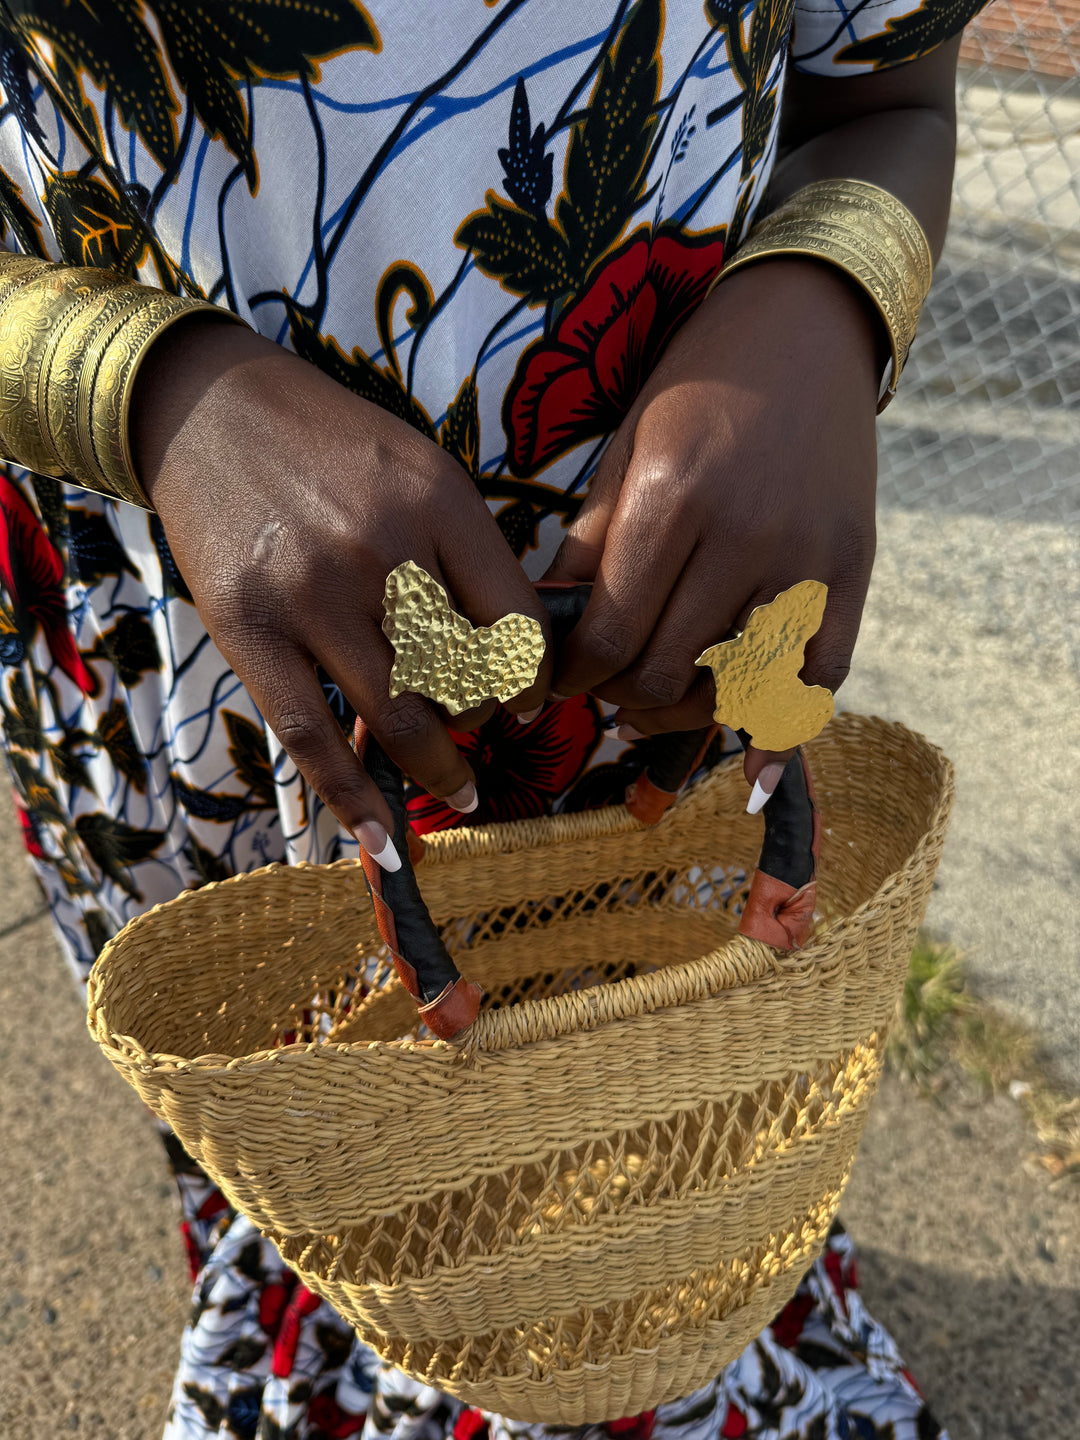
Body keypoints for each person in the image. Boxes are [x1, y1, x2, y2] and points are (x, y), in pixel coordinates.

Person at [0, 2, 986, 1436]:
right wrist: (146, 390)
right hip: (175, 649)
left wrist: (831, 296)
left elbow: (885, 100)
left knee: (666, 1140)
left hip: (666, 650)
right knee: (324, 1164)